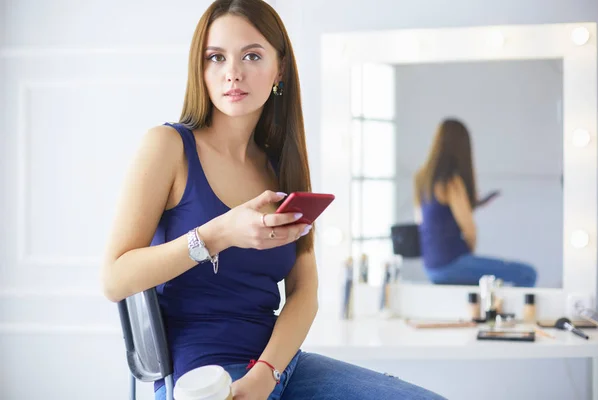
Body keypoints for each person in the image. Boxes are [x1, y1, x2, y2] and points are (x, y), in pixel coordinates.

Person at [101, 1, 446, 399]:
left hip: (280, 367)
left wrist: (268, 373)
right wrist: (218, 234)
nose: (233, 72)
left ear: (279, 69)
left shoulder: (279, 167)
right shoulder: (168, 147)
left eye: (252, 55)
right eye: (216, 57)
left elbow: (304, 291)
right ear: (201, 69)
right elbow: (115, 279)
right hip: (203, 378)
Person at [413, 118, 537, 287]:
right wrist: (469, 255)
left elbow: (421, 220)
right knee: (527, 273)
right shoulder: (451, 182)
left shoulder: (422, 178)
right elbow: (469, 229)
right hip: (452, 263)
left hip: (430, 266)